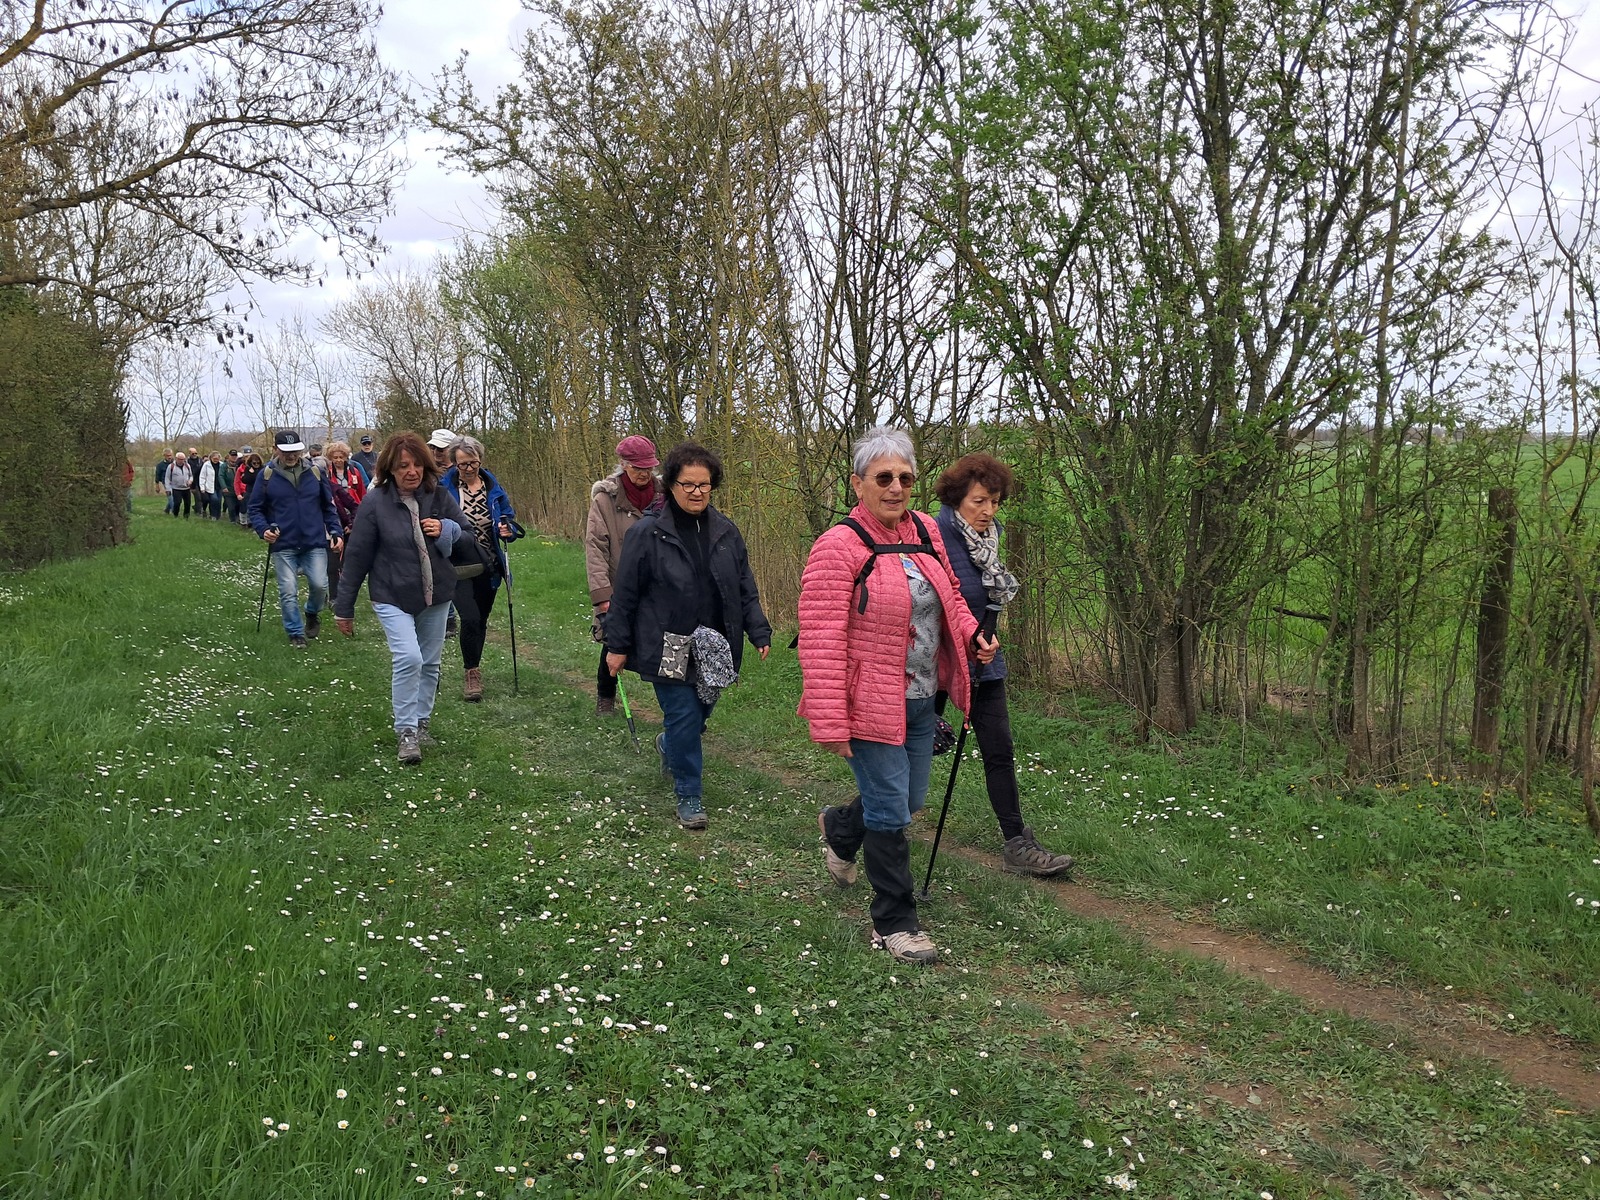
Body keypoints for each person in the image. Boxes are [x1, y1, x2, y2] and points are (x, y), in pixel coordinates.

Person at [799, 426, 997, 965]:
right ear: (858, 482)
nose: (896, 488)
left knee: (908, 799)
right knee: (891, 810)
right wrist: (830, 719)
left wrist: (972, 635)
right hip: (867, 699)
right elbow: (820, 638)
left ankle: (841, 828)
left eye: (905, 478)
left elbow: (950, 597)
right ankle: (894, 922)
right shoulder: (838, 546)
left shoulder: (926, 530)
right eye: (883, 477)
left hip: (921, 696)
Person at [604, 442, 771, 830]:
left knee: (698, 715)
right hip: (668, 643)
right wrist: (617, 645)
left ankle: (669, 745)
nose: (697, 492)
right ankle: (689, 795)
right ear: (671, 485)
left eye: (704, 485)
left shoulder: (727, 531)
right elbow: (625, 594)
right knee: (683, 716)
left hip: (715, 643)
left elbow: (744, 586)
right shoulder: (647, 533)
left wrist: (758, 629)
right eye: (688, 484)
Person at [933, 453, 1075, 877]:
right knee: (912, 753)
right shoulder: (933, 535)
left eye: (995, 502)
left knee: (999, 750)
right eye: (979, 501)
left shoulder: (989, 539)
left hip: (984, 659)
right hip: (935, 661)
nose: (989, 511)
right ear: (957, 498)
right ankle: (848, 825)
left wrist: (985, 639)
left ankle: (1016, 844)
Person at [334, 431, 469, 765]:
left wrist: (446, 529)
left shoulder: (438, 495)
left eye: (417, 464)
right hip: (391, 594)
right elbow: (357, 556)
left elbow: (466, 534)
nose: (412, 472)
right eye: (403, 466)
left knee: (430, 663)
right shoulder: (375, 503)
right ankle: (406, 731)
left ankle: (422, 723)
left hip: (437, 593)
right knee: (409, 658)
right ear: (390, 470)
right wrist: (344, 608)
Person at [585, 435, 663, 715]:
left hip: (658, 585)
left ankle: (672, 706)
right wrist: (603, 596)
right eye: (637, 467)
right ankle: (605, 697)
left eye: (648, 467)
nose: (644, 473)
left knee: (661, 643)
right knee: (614, 641)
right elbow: (595, 548)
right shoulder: (604, 499)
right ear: (624, 464)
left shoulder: (665, 496)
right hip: (619, 583)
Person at [441, 435, 523, 701]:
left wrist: (507, 529)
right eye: (462, 464)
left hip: (489, 564)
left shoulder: (493, 488)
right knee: (470, 618)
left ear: (480, 460)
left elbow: (508, 519)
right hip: (457, 565)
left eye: (473, 463)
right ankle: (471, 673)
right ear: (454, 463)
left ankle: (474, 663)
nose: (468, 468)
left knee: (481, 620)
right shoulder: (444, 489)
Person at [248, 430, 344, 648]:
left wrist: (335, 531)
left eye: (295, 451)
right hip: (283, 543)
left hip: (314, 541)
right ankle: (295, 633)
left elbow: (328, 506)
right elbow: (255, 509)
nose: (291, 455)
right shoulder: (266, 475)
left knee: (320, 585)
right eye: (286, 451)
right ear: (276, 450)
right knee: (288, 590)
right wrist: (263, 529)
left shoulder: (315, 472)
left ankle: (312, 612)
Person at [325, 440, 368, 600]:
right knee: (333, 558)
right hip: (335, 513)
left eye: (341, 457)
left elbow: (362, 492)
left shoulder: (354, 471)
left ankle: (345, 590)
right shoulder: (327, 473)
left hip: (352, 512)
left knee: (349, 556)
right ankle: (332, 592)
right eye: (335, 457)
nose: (338, 460)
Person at [236, 452, 264, 525]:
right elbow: (245, 480)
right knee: (249, 508)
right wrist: (251, 473)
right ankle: (249, 523)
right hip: (250, 491)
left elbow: (260, 479)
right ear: (250, 462)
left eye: (258, 462)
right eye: (254, 463)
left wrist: (253, 473)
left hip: (261, 491)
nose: (256, 464)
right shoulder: (247, 469)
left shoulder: (263, 469)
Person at [198, 451, 225, 520]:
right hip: (210, 486)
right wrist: (202, 487)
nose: (216, 460)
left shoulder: (222, 465)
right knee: (214, 500)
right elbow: (202, 476)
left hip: (219, 486)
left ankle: (218, 515)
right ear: (211, 458)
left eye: (217, 458)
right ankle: (213, 515)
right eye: (214, 458)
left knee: (219, 501)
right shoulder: (206, 465)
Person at [166, 451, 194, 518]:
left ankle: (186, 516)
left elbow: (191, 476)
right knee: (177, 502)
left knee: (187, 503)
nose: (182, 461)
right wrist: (168, 489)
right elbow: (167, 478)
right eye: (180, 459)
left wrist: (190, 481)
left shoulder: (187, 466)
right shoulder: (171, 467)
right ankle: (175, 515)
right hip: (176, 488)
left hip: (186, 488)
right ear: (176, 458)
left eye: (183, 459)